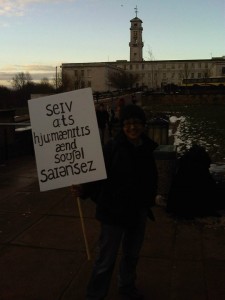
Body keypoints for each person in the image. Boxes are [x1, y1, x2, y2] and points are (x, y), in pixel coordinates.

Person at [73, 104, 158, 300]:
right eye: (128, 124)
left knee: (132, 255)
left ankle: (126, 287)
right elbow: (96, 176)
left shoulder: (147, 147)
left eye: (136, 123)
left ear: (143, 125)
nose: (132, 127)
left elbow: (150, 177)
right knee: (106, 259)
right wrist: (83, 189)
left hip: (138, 210)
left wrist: (150, 198)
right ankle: (95, 295)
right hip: (114, 211)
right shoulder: (111, 148)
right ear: (122, 126)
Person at [167, 144, 220, 219]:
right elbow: (207, 164)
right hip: (201, 181)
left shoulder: (185, 159)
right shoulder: (202, 162)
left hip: (184, 187)